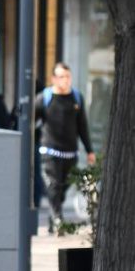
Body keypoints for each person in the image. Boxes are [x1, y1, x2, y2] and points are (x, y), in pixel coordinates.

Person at [35, 61, 95, 231]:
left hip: (70, 154)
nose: (65, 80)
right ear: (54, 79)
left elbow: (82, 126)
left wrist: (89, 150)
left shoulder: (77, 97)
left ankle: (53, 217)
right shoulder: (44, 98)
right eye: (61, 76)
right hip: (50, 152)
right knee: (53, 186)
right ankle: (59, 221)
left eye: (68, 76)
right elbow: (29, 120)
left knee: (62, 189)